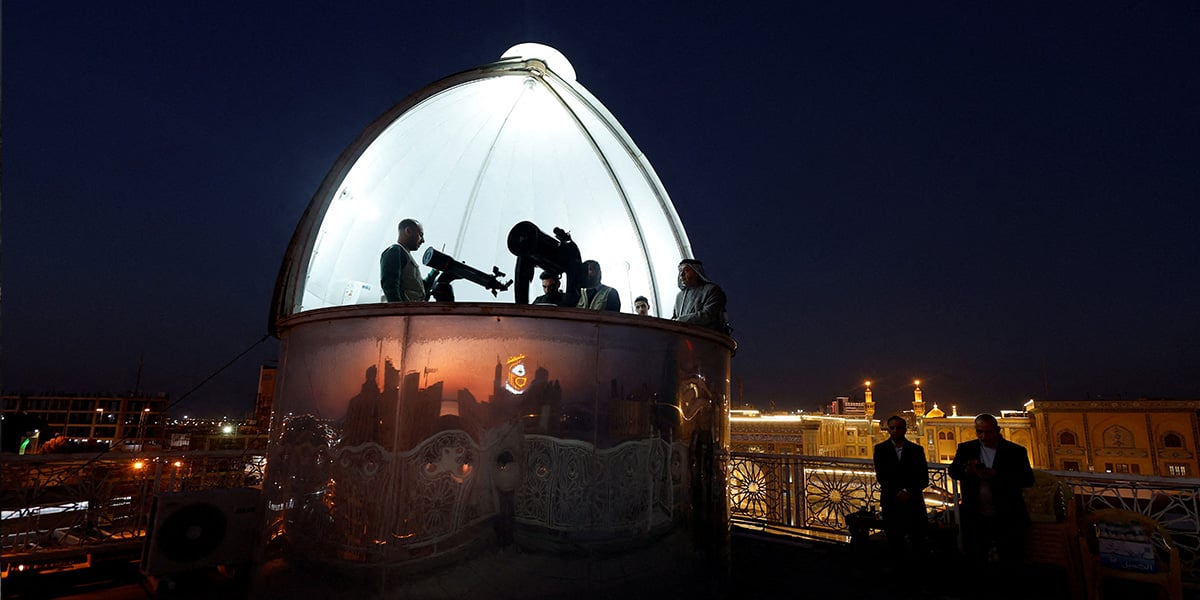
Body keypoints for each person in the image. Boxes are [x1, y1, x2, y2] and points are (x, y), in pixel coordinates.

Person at [949, 413, 1035, 565]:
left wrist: (996, 475)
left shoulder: (1015, 451)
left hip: (1007, 514)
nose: (984, 436)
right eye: (980, 432)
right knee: (977, 557)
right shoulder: (966, 449)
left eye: (988, 432)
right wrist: (967, 470)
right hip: (976, 514)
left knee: (1010, 558)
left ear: (997, 430)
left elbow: (1027, 479)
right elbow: (953, 471)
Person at [872, 415, 929, 559]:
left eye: (899, 427)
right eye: (892, 428)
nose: (895, 430)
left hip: (913, 501)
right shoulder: (880, 449)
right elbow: (882, 476)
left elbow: (923, 477)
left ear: (905, 429)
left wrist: (909, 492)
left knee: (917, 539)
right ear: (888, 430)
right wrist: (898, 492)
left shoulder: (916, 450)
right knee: (894, 540)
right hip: (892, 501)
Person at [671, 259, 728, 333]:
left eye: (686, 270)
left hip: (705, 338)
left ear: (696, 272)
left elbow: (708, 315)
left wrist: (680, 320)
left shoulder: (712, 290)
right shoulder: (679, 296)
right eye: (680, 271)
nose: (681, 274)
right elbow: (675, 317)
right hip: (682, 337)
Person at [380, 218, 427, 302]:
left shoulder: (406, 256)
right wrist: (398, 312)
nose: (423, 241)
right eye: (420, 235)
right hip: (402, 313)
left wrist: (435, 272)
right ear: (408, 231)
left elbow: (419, 291)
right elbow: (390, 287)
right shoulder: (395, 252)